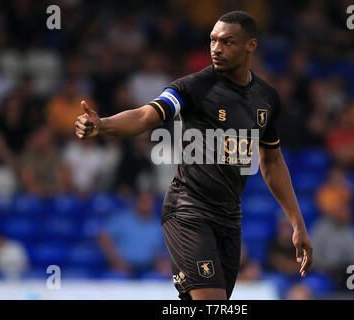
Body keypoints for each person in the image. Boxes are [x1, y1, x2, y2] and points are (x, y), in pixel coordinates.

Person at [75, 11, 312, 300]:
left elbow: (272, 163)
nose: (216, 48)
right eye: (213, 40)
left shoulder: (266, 98)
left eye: (227, 42)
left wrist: (297, 224)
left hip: (229, 218)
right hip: (188, 209)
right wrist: (103, 124)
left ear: (251, 46)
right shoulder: (193, 87)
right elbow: (145, 116)